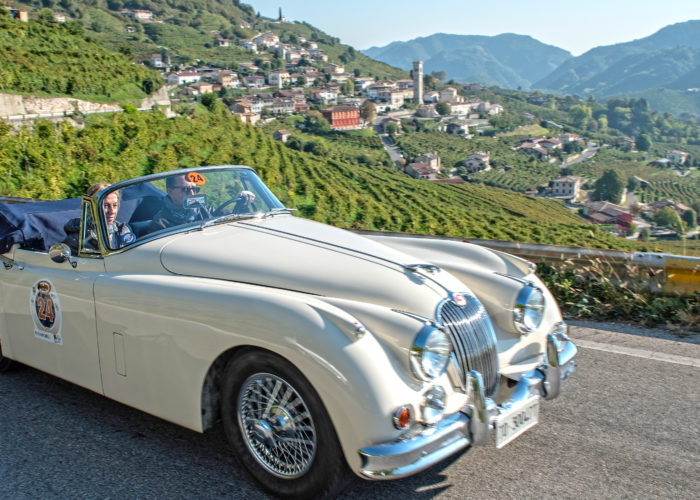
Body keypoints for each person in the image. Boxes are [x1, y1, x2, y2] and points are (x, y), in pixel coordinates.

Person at [148, 174, 255, 232]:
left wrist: (243, 204)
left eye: (195, 189)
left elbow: (231, 216)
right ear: (170, 191)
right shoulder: (160, 223)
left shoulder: (204, 210)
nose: (192, 193)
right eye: (186, 189)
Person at [63, 183, 134, 254]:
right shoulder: (77, 239)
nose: (112, 211)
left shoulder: (123, 231)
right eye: (105, 206)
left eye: (115, 205)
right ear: (90, 208)